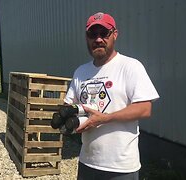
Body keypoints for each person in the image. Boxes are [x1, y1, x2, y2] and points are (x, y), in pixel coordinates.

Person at [64, 12, 160, 180]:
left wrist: (104, 118)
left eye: (104, 33)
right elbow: (69, 105)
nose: (98, 39)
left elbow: (145, 109)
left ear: (115, 34)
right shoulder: (81, 72)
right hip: (87, 162)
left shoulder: (130, 66)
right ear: (87, 38)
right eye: (92, 34)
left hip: (120, 167)